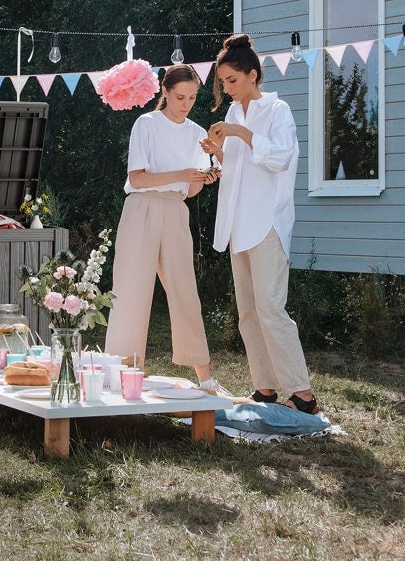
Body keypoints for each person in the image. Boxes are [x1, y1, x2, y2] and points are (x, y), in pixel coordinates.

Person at [202, 34, 319, 413]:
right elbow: (238, 169)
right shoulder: (235, 114)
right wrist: (219, 153)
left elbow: (280, 159)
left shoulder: (277, 110)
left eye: (232, 81)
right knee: (249, 313)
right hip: (239, 223)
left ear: (252, 75)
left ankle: (302, 394)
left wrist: (240, 133)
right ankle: (264, 387)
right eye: (223, 82)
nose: (227, 89)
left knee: (271, 309)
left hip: (268, 222)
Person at [104, 64, 230, 397]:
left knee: (184, 290)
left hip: (175, 210)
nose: (186, 103)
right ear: (165, 92)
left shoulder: (197, 134)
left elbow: (188, 191)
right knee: (131, 291)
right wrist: (184, 172)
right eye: (179, 97)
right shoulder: (145, 124)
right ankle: (120, 376)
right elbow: (138, 178)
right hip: (141, 209)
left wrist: (202, 179)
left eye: (191, 97)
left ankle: (205, 378)